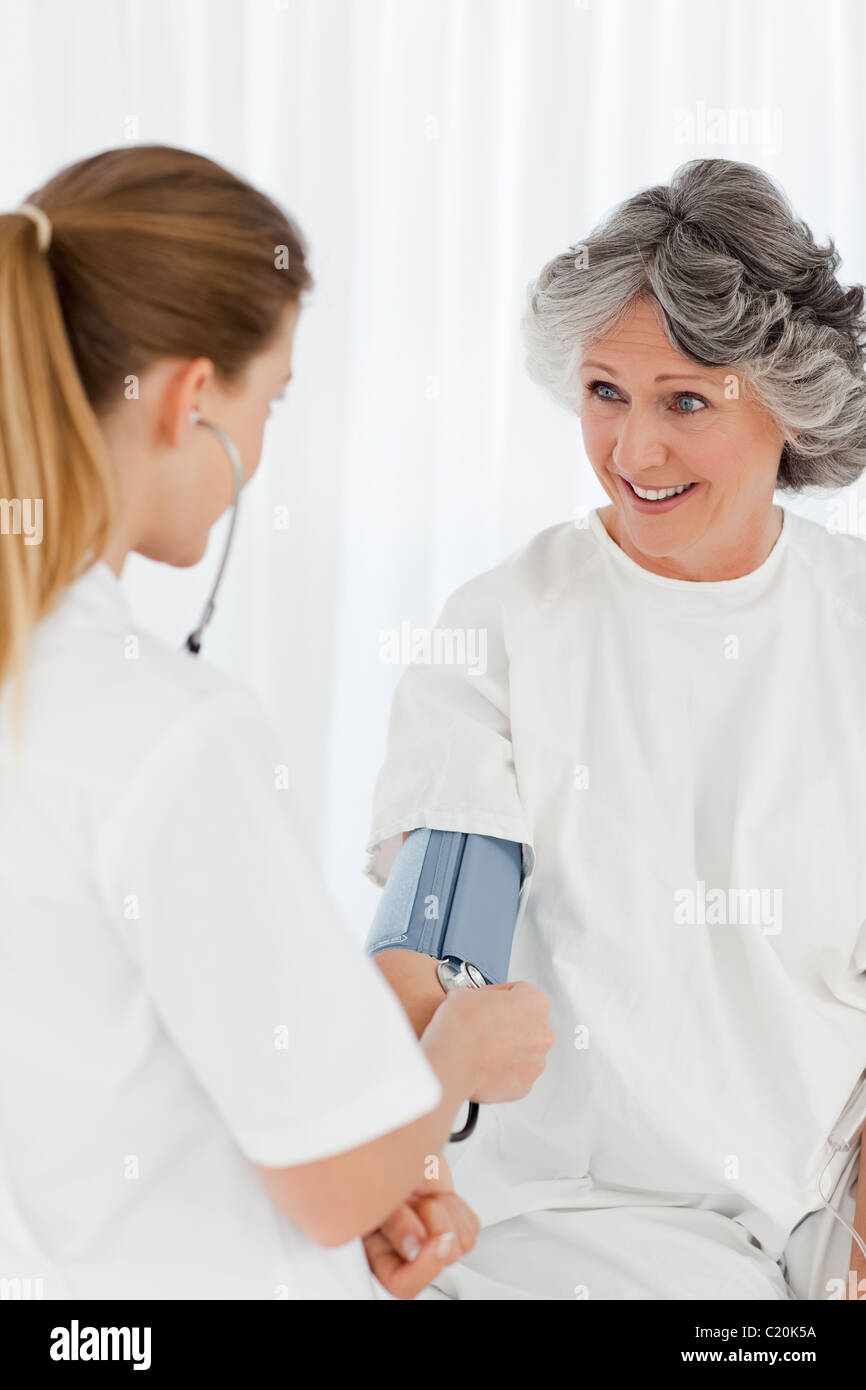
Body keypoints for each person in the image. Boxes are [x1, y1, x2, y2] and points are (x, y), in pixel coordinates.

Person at [0, 144, 554, 1301]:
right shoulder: (166, 730)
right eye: (274, 399)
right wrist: (447, 1072)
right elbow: (333, 1182)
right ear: (197, 398)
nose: (259, 449)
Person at [365, 158, 866, 1300]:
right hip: (544, 1230)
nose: (631, 453)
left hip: (803, 1232)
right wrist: (397, 1164)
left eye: (682, 401)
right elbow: (431, 953)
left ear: (785, 402)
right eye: (603, 393)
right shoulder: (505, 627)